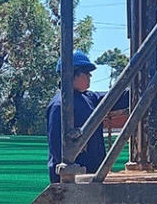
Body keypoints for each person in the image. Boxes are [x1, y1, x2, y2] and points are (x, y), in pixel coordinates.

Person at [45, 51, 128, 183]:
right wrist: (74, 173)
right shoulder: (59, 106)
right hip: (73, 181)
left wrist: (143, 86)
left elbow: (115, 97)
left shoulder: (88, 98)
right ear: (74, 74)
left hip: (92, 177)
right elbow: (57, 148)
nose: (90, 76)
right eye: (87, 72)